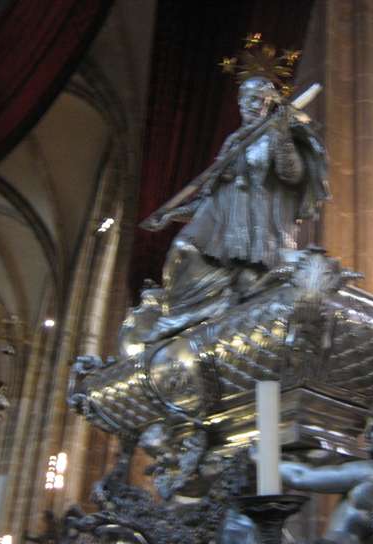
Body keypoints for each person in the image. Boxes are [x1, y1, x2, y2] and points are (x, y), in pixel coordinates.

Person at [136, 75, 328, 344]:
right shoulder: (233, 142)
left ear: (269, 104)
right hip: (224, 227)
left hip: (257, 233)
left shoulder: (275, 133)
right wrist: (171, 215)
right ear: (239, 102)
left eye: (261, 100)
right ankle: (180, 317)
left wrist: (282, 133)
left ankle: (219, 306)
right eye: (249, 99)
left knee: (247, 282)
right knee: (181, 249)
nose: (254, 105)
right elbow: (210, 198)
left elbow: (292, 174)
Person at [279, 398, 373, 544]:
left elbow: (300, 477)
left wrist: (263, 458)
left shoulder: (371, 471)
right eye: (367, 427)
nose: (367, 434)